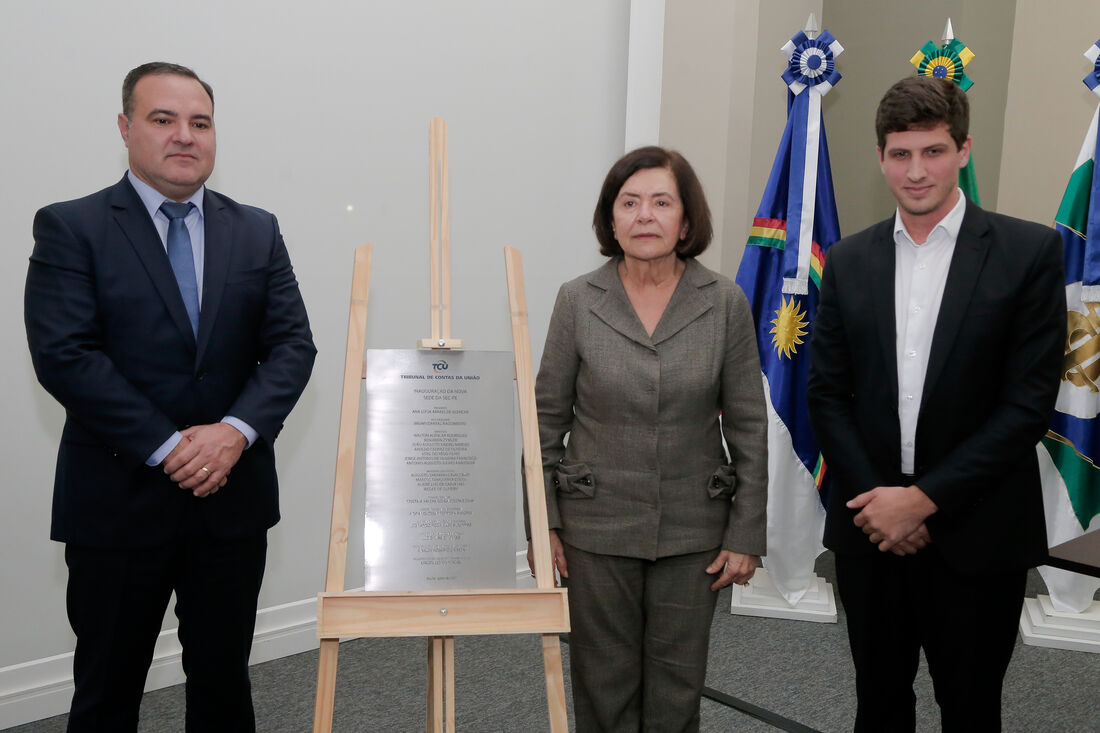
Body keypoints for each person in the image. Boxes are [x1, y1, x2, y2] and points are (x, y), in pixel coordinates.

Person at [24, 62, 316, 731]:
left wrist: (234, 431)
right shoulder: (72, 226)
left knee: (223, 684)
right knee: (107, 690)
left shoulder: (257, 229)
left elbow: (292, 347)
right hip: (117, 503)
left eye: (200, 122)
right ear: (125, 128)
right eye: (163, 119)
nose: (185, 135)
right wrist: (169, 446)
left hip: (232, 502)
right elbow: (66, 354)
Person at [807, 76, 1065, 731]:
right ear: (880, 157)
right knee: (879, 705)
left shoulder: (1029, 252)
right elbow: (828, 394)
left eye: (933, 151)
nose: (916, 171)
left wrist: (922, 500)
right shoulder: (847, 259)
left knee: (971, 709)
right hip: (870, 530)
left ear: (964, 150)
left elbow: (1028, 405)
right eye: (900, 154)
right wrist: (881, 504)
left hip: (979, 531)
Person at [528, 146, 768, 732]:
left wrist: (746, 534)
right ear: (610, 219)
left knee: (676, 692)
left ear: (686, 221)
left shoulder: (725, 302)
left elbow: (748, 425)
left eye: (662, 203)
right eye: (629, 202)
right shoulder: (577, 299)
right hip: (595, 527)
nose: (644, 216)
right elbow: (545, 420)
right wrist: (543, 524)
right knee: (602, 685)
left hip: (693, 529)